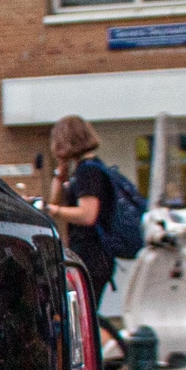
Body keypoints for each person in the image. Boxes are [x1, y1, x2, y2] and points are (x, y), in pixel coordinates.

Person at [45, 114, 120, 299]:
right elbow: (54, 201)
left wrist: (52, 211)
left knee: (86, 317)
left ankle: (109, 330)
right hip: (87, 253)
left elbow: (87, 215)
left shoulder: (89, 171)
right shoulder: (82, 170)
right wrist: (59, 173)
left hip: (92, 255)